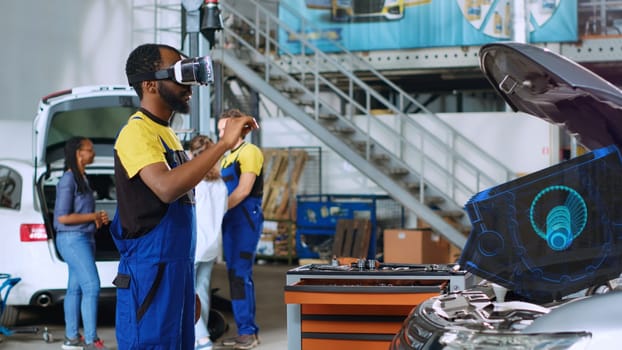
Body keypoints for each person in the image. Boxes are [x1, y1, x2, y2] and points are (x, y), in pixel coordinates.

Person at [110, 43, 258, 350]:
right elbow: (166, 188)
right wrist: (222, 145)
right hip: (149, 276)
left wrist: (184, 286)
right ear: (150, 84)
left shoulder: (166, 134)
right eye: (179, 75)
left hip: (173, 273)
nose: (188, 86)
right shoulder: (136, 133)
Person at [53, 137, 110, 350]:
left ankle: (71, 339)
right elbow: (62, 217)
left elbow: (80, 214)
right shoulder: (69, 180)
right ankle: (91, 341)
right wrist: (92, 215)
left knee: (75, 289)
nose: (93, 153)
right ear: (79, 153)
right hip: (72, 239)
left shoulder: (82, 178)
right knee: (92, 286)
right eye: (90, 150)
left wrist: (95, 220)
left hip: (83, 238)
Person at [218, 109, 264, 350]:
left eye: (224, 129)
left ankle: (247, 332)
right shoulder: (227, 157)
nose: (221, 134)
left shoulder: (250, 152)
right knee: (234, 275)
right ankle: (245, 331)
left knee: (239, 275)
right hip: (231, 220)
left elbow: (244, 190)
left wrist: (216, 212)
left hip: (245, 219)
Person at [189, 135, 228, 350]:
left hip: (196, 245)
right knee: (202, 291)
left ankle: (201, 338)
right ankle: (199, 339)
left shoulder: (196, 181)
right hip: (212, 245)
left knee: (188, 293)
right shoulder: (220, 183)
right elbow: (223, 211)